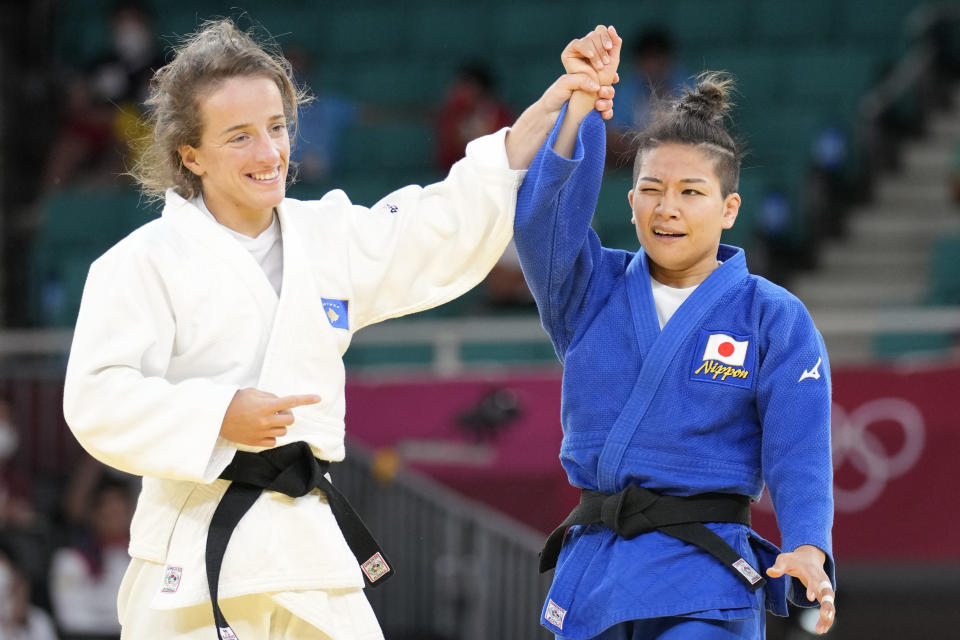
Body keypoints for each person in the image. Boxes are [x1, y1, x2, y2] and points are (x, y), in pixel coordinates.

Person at [62, 18, 616, 640]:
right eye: (240, 136)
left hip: (311, 555)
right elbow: (96, 398)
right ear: (190, 154)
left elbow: (437, 225)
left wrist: (553, 104)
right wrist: (218, 415)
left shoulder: (325, 237)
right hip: (194, 555)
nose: (269, 153)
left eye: (276, 128)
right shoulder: (142, 262)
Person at [514, 27, 836, 639]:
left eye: (691, 193)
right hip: (597, 575)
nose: (668, 209)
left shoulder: (771, 316)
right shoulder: (589, 288)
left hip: (705, 577)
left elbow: (799, 447)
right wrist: (581, 105)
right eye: (653, 191)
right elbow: (541, 222)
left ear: (729, 208)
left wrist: (807, 546)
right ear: (630, 200)